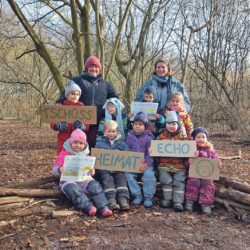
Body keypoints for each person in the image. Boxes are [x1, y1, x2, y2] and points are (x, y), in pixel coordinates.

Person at [56, 56, 118, 148]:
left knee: (94, 145)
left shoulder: (106, 84)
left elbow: (114, 97)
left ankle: (92, 162)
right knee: (80, 144)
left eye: (96, 67)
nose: (94, 69)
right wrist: (59, 101)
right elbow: (66, 93)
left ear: (99, 69)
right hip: (80, 121)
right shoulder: (78, 80)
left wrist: (112, 105)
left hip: (98, 121)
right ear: (86, 68)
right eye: (91, 66)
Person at [52, 129, 113, 217]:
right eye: (75, 143)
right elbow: (55, 170)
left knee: (95, 186)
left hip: (83, 178)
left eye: (81, 143)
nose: (78, 145)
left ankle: (103, 208)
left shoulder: (86, 153)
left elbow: (88, 168)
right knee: (73, 190)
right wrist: (59, 169)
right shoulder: (64, 153)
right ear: (71, 143)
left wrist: (91, 171)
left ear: (84, 144)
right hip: (68, 180)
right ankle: (88, 207)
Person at [152, 111, 188, 212]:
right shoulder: (161, 137)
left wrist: (192, 153)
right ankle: (167, 199)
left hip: (179, 165)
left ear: (178, 124)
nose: (171, 126)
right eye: (169, 124)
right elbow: (156, 150)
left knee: (179, 182)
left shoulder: (183, 138)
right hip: (164, 165)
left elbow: (188, 149)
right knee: (165, 180)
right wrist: (152, 150)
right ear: (165, 124)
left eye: (174, 124)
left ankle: (178, 202)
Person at [95, 120, 131, 211]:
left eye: (113, 131)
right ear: (104, 132)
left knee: (121, 178)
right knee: (107, 179)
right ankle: (111, 200)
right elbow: (96, 156)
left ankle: (123, 199)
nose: (111, 134)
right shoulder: (100, 143)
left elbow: (128, 154)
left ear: (117, 132)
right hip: (105, 169)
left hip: (118, 168)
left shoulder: (121, 143)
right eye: (109, 131)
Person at [185, 127, 222, 214]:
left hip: (207, 174)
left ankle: (206, 205)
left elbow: (217, 161)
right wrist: (190, 160)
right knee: (193, 181)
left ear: (207, 139)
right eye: (198, 137)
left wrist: (219, 164)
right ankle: (189, 202)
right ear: (194, 139)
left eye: (203, 137)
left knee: (208, 183)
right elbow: (185, 165)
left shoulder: (211, 151)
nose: (201, 139)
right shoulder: (191, 150)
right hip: (194, 174)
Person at [125, 112, 156, 208]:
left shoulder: (149, 137)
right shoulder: (129, 135)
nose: (137, 126)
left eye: (140, 124)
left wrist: (147, 163)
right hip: (133, 163)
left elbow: (151, 153)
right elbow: (126, 149)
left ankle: (148, 197)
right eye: (135, 124)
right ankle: (137, 195)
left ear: (145, 126)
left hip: (146, 163)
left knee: (149, 175)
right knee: (127, 175)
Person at [51, 80, 89, 155]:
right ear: (67, 95)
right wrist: (57, 126)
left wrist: (82, 127)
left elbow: (87, 125)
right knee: (62, 158)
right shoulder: (61, 107)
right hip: (63, 139)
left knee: (76, 160)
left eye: (78, 94)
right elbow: (53, 121)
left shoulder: (82, 108)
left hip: (78, 141)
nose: (75, 96)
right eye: (73, 94)